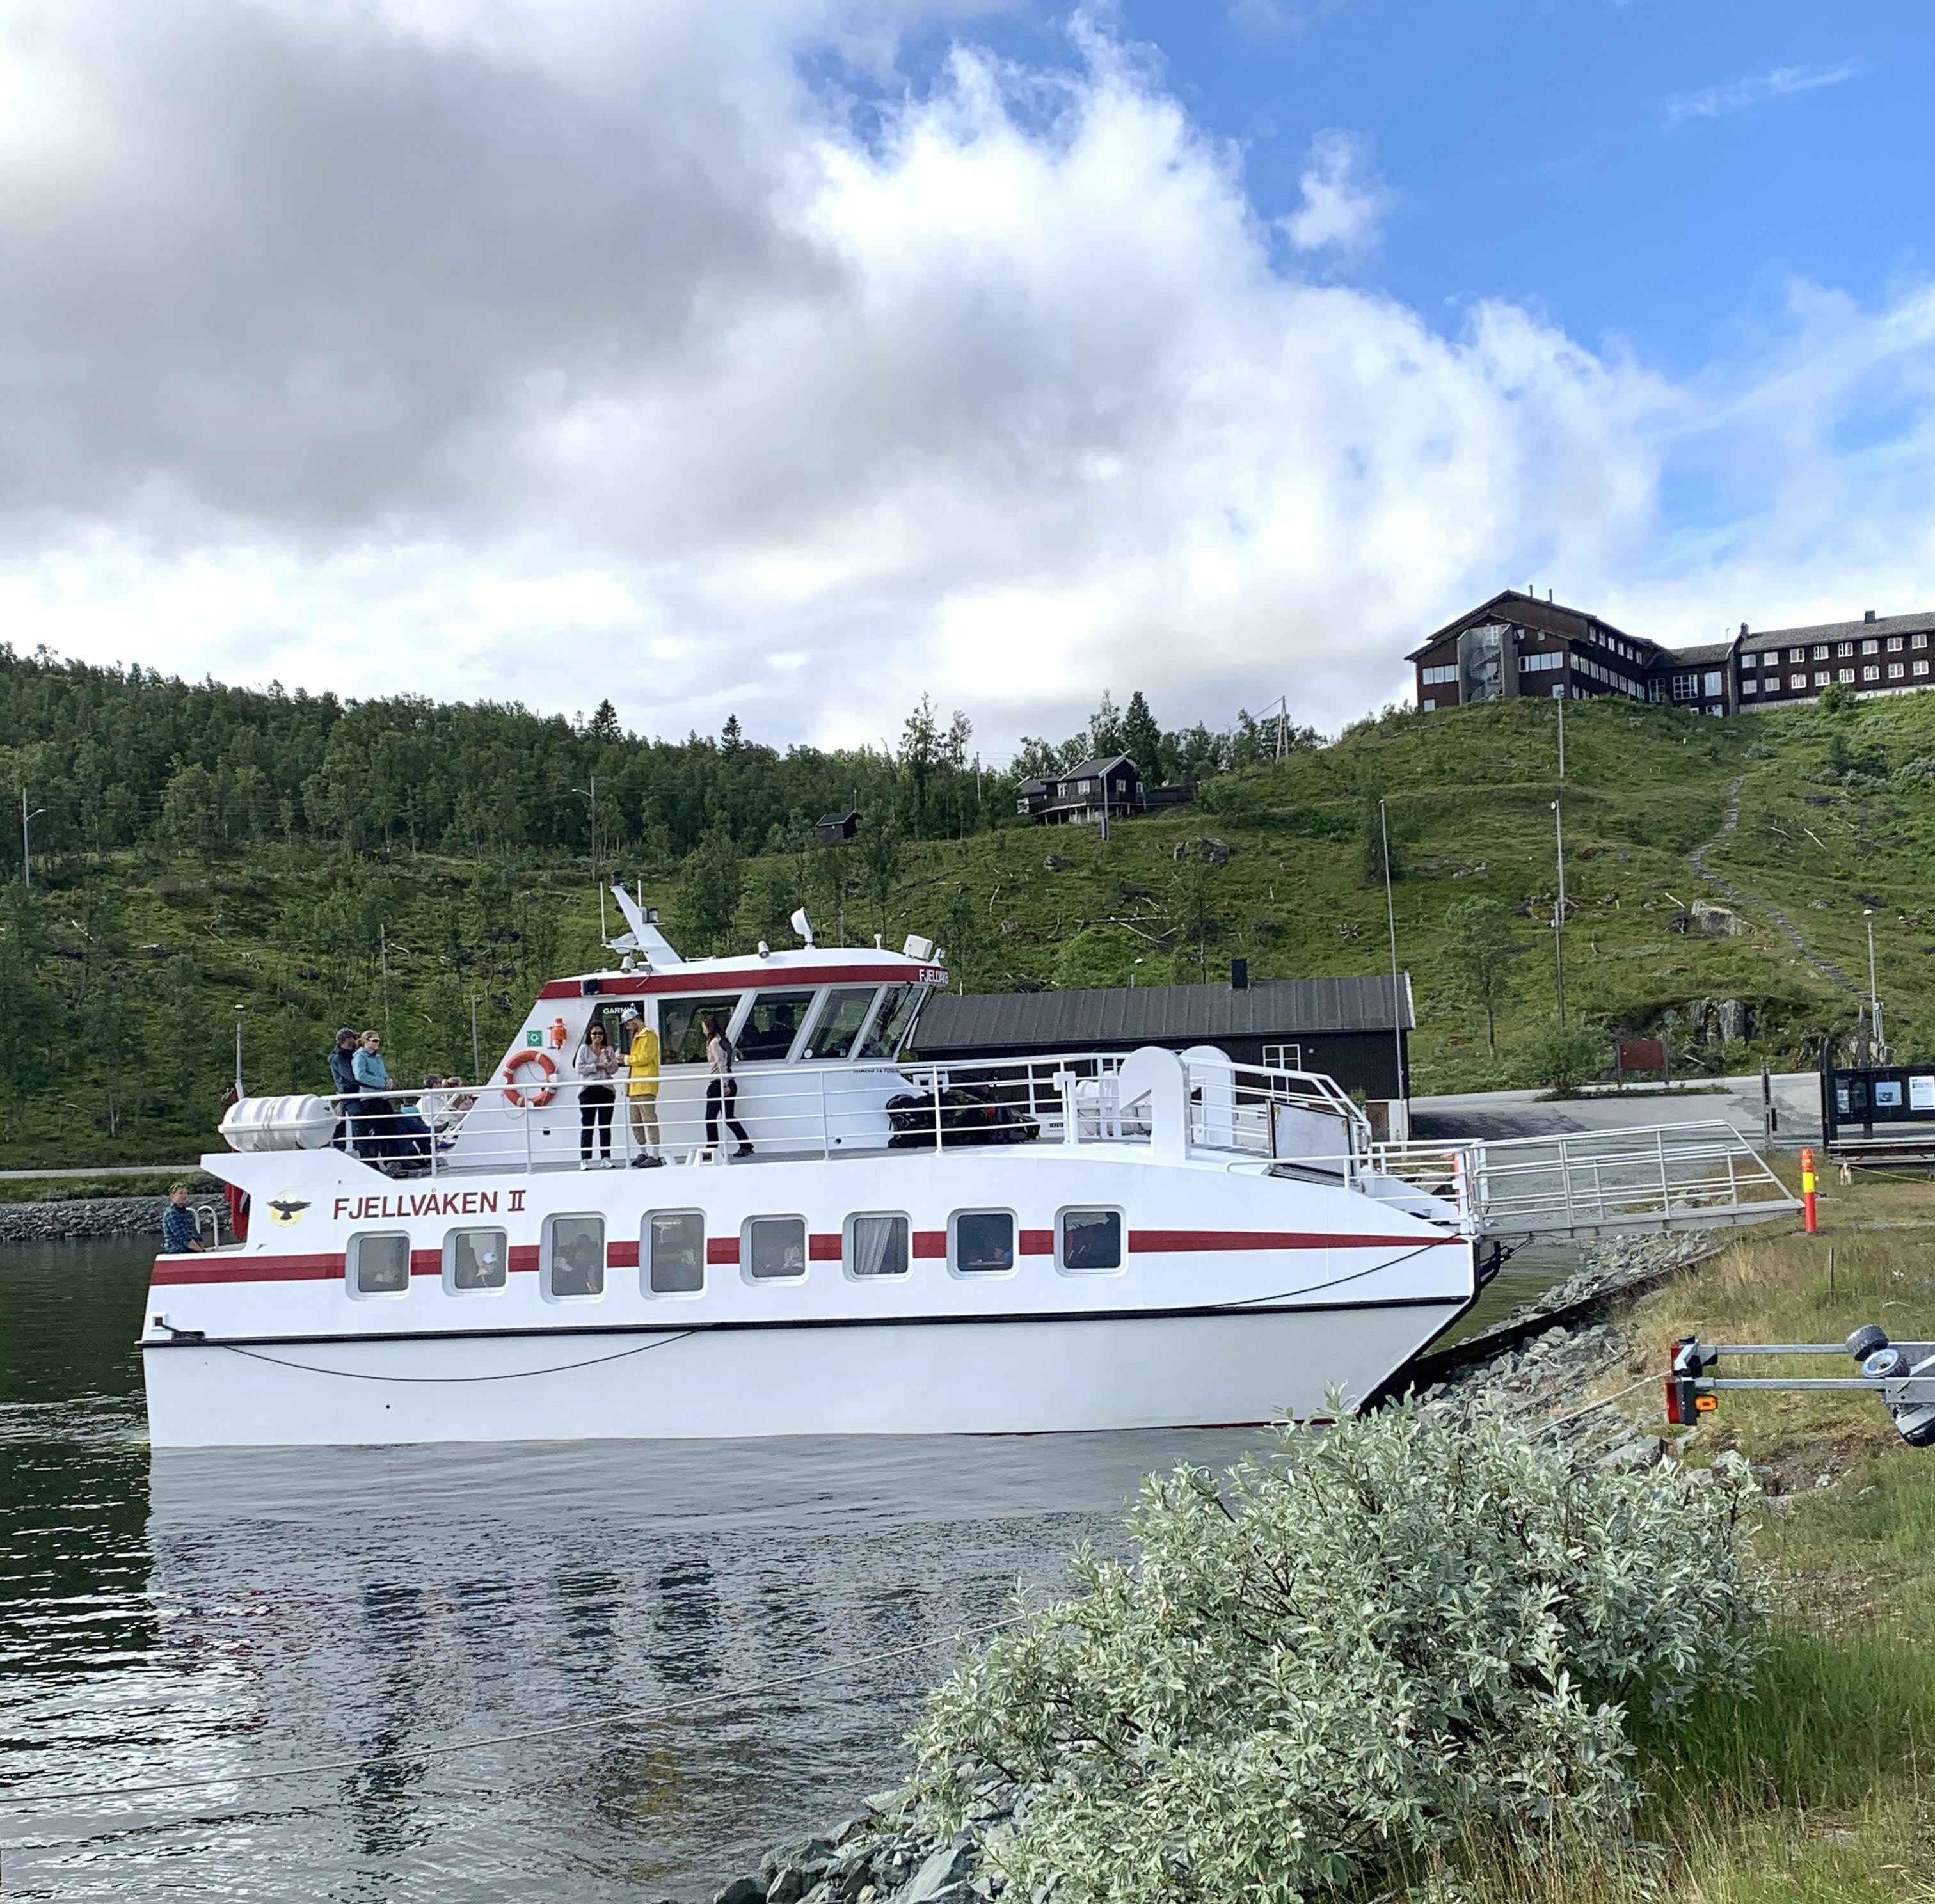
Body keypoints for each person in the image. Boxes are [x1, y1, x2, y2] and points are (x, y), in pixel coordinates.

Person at [703, 1012, 753, 1158]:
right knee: (729, 1117)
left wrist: (724, 1084)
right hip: (727, 1082)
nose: (703, 1030)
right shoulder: (723, 1041)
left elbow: (721, 1063)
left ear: (709, 1028)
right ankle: (746, 1145)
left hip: (719, 1083)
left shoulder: (714, 1043)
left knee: (710, 1117)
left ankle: (712, 1149)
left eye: (704, 1027)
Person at [622, 1010, 663, 1167]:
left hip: (645, 1085)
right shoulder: (639, 1036)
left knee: (649, 1119)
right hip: (636, 1086)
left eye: (627, 1023)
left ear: (634, 1020)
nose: (627, 1027)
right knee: (636, 1121)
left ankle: (656, 1155)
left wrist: (627, 1059)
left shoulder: (649, 1035)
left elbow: (645, 1057)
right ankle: (644, 1152)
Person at [575, 1021, 620, 1165]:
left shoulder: (609, 1050)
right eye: (595, 1033)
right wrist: (597, 1066)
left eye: (600, 1033)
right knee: (588, 1125)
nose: (598, 1036)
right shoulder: (584, 1049)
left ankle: (605, 1158)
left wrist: (607, 1057)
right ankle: (585, 1159)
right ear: (590, 1035)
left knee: (605, 1126)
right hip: (588, 1090)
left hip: (605, 1089)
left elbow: (613, 1069)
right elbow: (579, 1068)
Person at [328, 1027, 362, 1154]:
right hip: (349, 1095)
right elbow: (351, 1077)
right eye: (353, 1038)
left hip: (355, 1095)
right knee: (356, 1118)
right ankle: (351, 1145)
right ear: (346, 1040)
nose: (356, 1040)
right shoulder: (339, 1059)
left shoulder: (350, 1056)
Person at [161, 1184, 206, 1255]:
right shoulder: (171, 1214)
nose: (184, 1196)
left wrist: (201, 1245)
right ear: (173, 1196)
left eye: (186, 1193)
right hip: (177, 1251)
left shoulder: (186, 1212)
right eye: (181, 1193)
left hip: (189, 1249)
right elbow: (184, 1238)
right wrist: (202, 1252)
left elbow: (195, 1232)